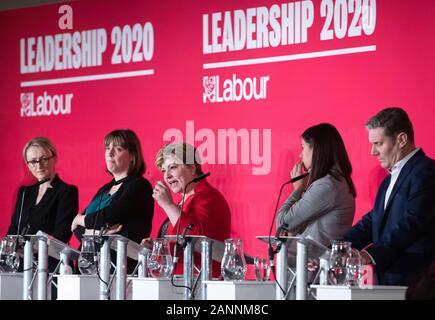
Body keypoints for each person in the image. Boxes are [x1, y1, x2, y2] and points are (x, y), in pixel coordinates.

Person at [343, 107, 435, 286]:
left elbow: (412, 223)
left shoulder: (427, 171)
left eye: (378, 143)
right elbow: (372, 222)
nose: (372, 152)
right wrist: (336, 248)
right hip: (387, 280)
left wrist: (369, 254)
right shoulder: (388, 180)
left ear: (401, 139)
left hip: (415, 282)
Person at [71, 129, 154, 273]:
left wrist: (79, 219)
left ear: (133, 156)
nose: (110, 153)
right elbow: (77, 230)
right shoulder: (105, 188)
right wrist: (97, 233)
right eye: (107, 148)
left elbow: (107, 217)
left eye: (118, 149)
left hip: (119, 268)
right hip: (89, 266)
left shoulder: (139, 185)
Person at [151, 142, 231, 278]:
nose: (167, 176)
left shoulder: (207, 196)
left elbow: (196, 238)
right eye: (164, 170)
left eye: (173, 168)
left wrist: (168, 206)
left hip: (199, 283)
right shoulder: (185, 199)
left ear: (192, 168)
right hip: (179, 281)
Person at [276, 123, 356, 247]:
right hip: (313, 262)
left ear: (316, 150)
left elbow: (282, 224)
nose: (300, 155)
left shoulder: (326, 185)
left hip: (316, 264)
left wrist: (298, 190)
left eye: (303, 147)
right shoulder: (334, 182)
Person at [7, 137, 78, 244]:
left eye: (44, 159)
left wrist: (32, 249)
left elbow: (61, 235)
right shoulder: (24, 192)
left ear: (54, 158)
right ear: (28, 165)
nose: (38, 166)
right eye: (33, 161)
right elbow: (13, 231)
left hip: (49, 259)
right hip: (22, 258)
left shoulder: (66, 191)